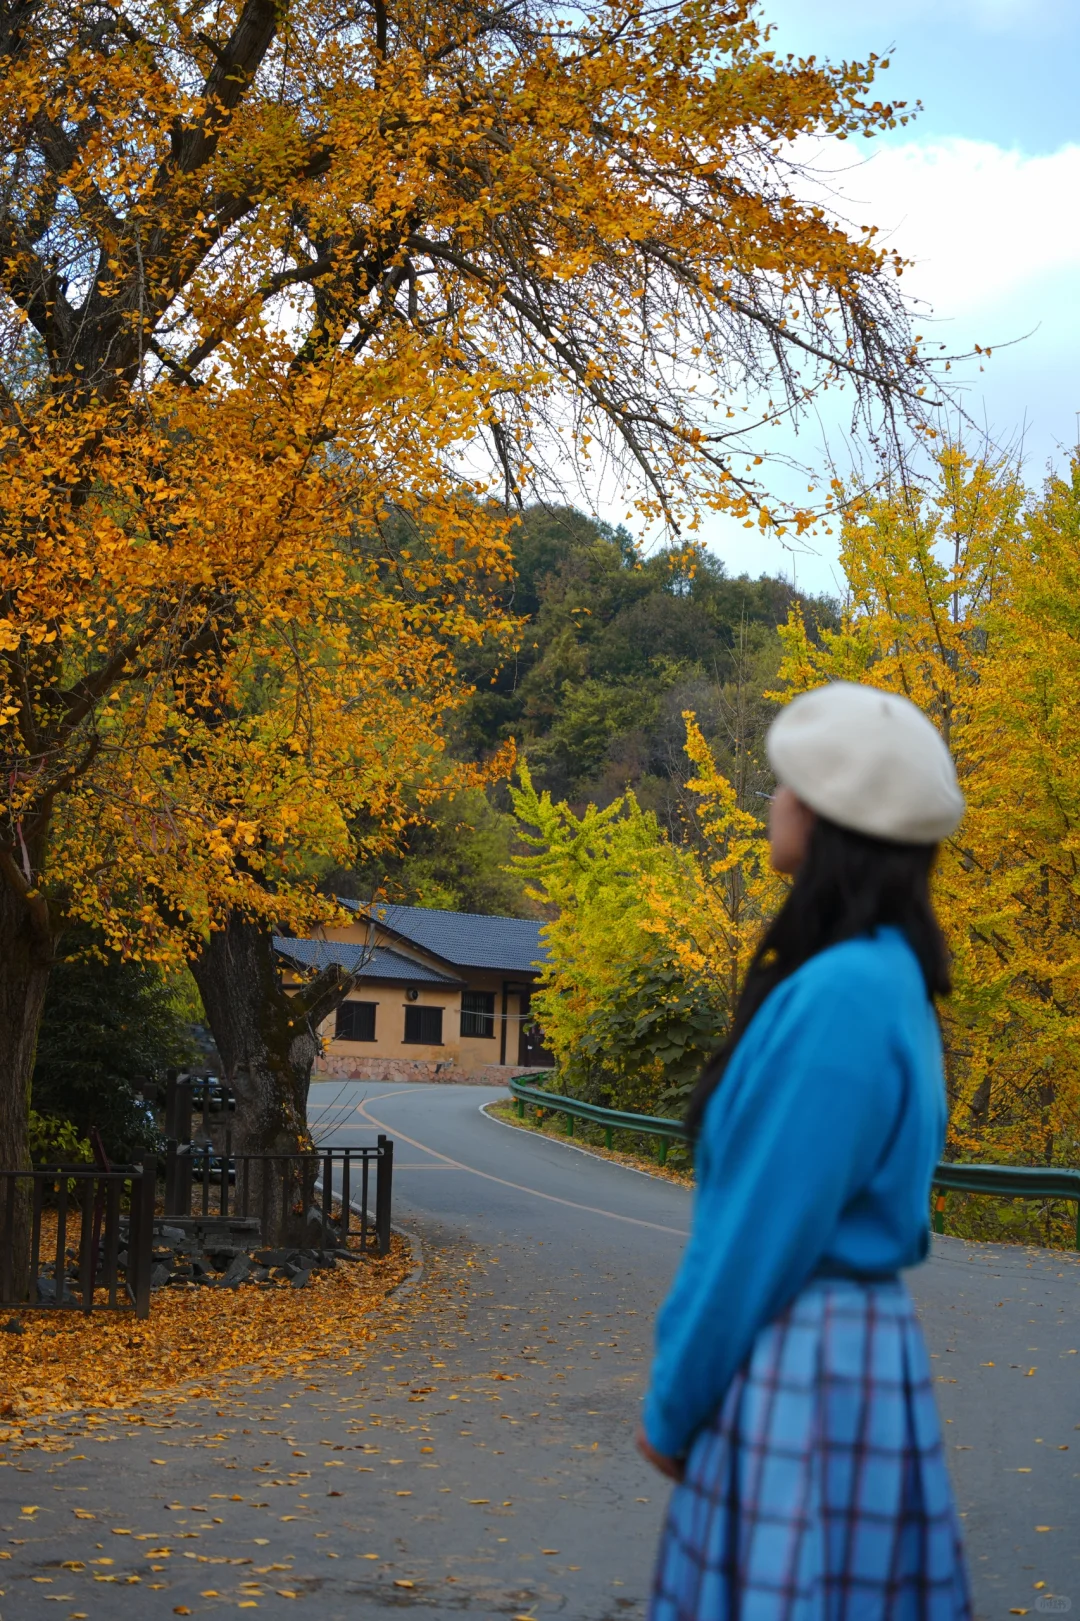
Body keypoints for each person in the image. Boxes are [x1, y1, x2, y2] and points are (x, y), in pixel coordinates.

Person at [638, 681, 972, 1621]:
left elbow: (757, 1236)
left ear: (831, 820)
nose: (772, 801)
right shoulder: (881, 976)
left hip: (806, 1361)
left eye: (790, 786)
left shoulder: (843, 995)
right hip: (852, 1362)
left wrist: (674, 1403)